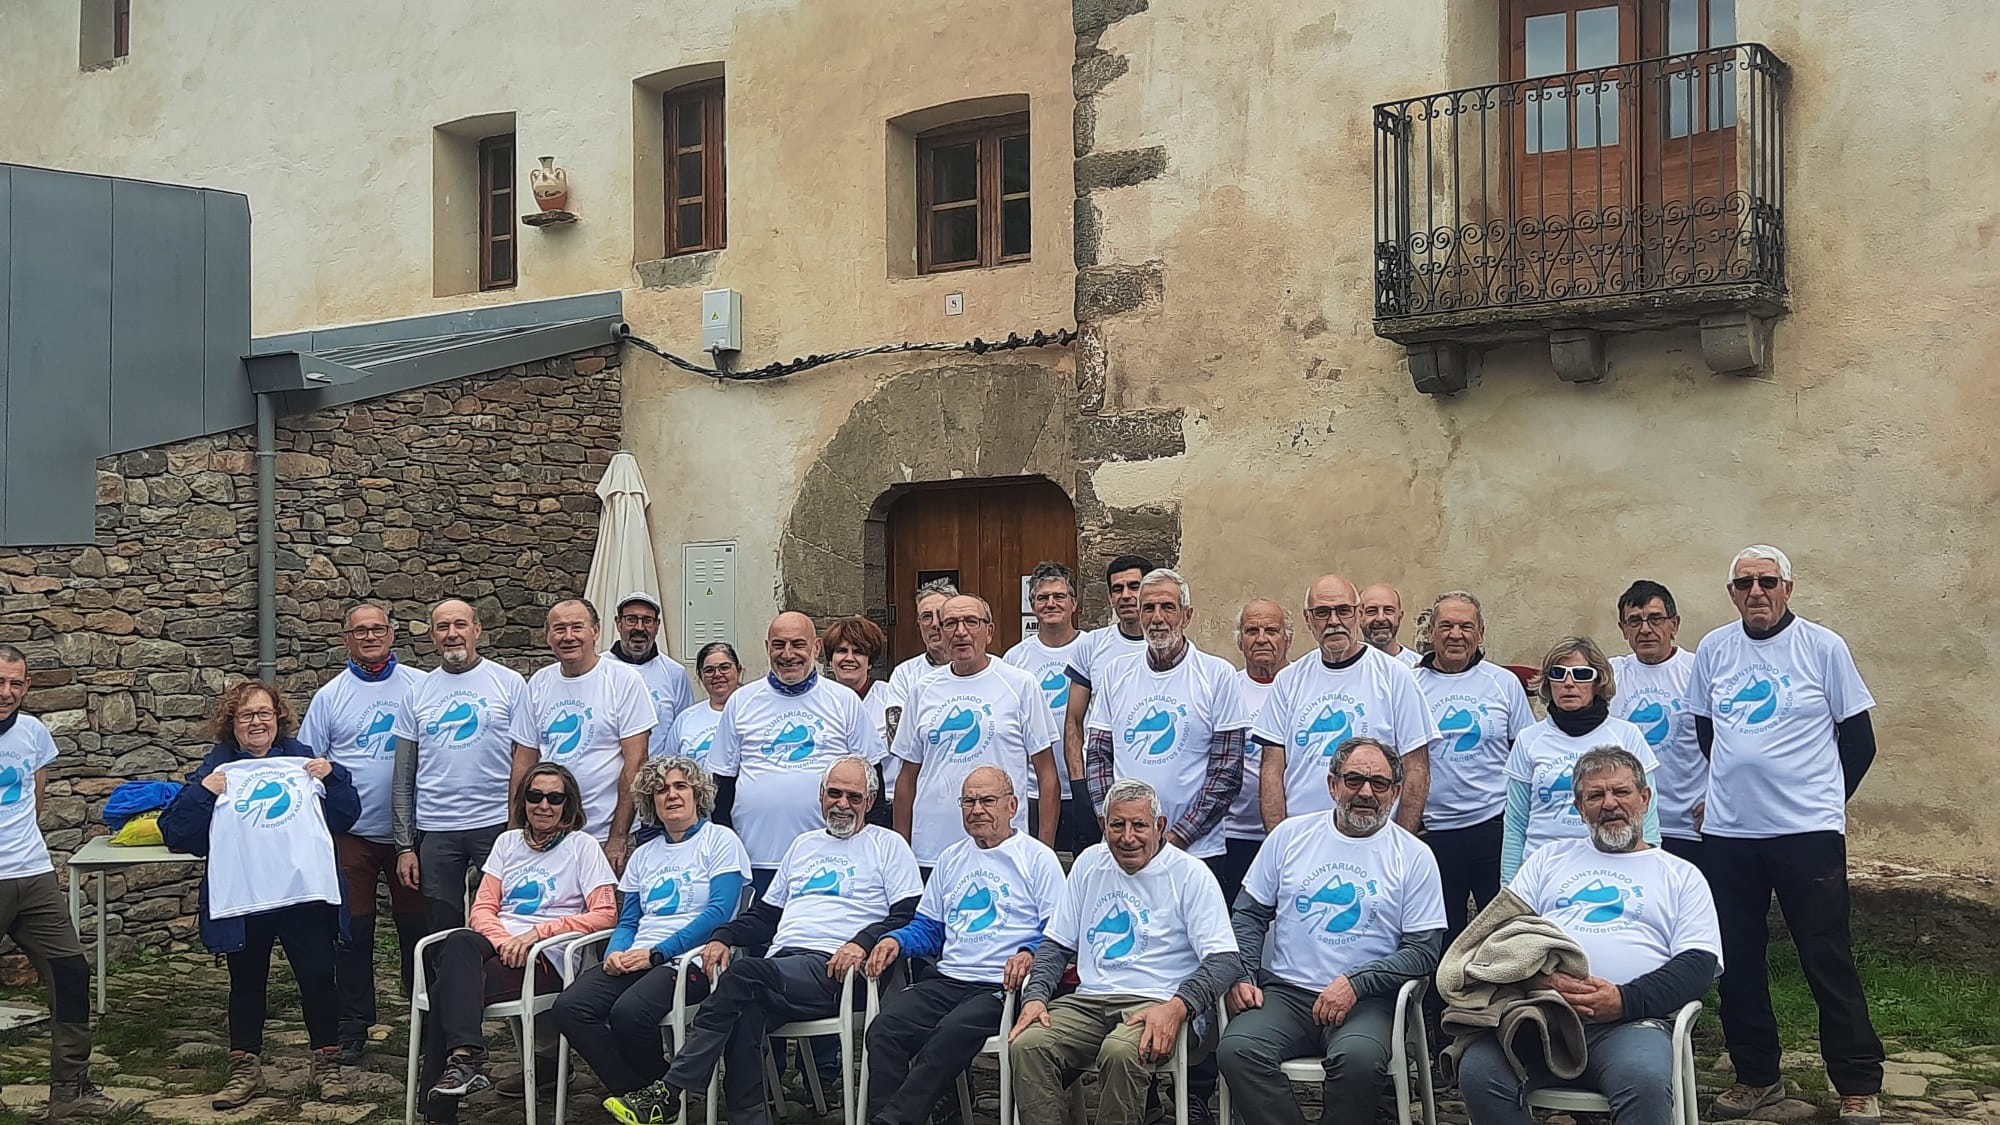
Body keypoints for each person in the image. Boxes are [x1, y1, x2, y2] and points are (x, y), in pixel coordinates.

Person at [1689, 546, 1883, 1125]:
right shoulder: (1715, 650)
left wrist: (1820, 800)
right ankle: (1756, 1075)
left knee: (1826, 955)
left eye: (1767, 581)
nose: (1756, 592)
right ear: (1731, 593)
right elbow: (1708, 732)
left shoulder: (1823, 647)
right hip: (1729, 834)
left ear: (1788, 587)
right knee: (1739, 958)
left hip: (1806, 835)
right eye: (1744, 583)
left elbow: (1860, 741)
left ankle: (1856, 1081)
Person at [647, 756, 923, 1125]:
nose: (842, 804)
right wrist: (724, 936)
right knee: (745, 1012)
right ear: (821, 795)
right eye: (835, 793)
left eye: (854, 797)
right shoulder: (803, 845)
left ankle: (672, 1088)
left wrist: (862, 941)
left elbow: (907, 915)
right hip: (784, 969)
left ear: (870, 801)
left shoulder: (888, 846)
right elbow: (766, 916)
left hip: (841, 970)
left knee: (745, 974)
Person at [1458, 748, 1720, 1125]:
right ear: (1580, 807)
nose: (1609, 804)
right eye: (1595, 795)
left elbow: (1698, 965)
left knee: (1643, 1079)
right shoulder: (1547, 860)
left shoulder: (1681, 876)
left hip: (1632, 1023)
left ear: (1645, 798)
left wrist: (1623, 1000)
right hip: (1540, 1015)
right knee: (1479, 1071)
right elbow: (1497, 938)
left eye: (1621, 792)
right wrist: (1537, 978)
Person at [1216, 737, 1447, 1125]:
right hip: (1286, 993)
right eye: (1354, 779)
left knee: (1358, 1062)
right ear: (1332, 784)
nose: (1365, 792)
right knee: (1237, 1049)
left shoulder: (1414, 856)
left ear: (1395, 792)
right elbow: (1249, 916)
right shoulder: (1289, 837)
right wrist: (1243, 974)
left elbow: (1424, 951)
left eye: (1378, 784)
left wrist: (1356, 983)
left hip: (1367, 1001)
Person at [160, 681, 359, 1109]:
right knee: (246, 983)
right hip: (244, 896)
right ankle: (245, 1067)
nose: (257, 722)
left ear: (278, 718)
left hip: (305, 894)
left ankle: (326, 1062)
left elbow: (346, 816)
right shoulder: (218, 767)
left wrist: (335, 777)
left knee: (319, 978)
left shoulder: (303, 760)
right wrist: (203, 792)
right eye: (246, 715)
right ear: (232, 723)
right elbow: (176, 832)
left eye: (264, 713)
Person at [1008, 778, 1239, 1125]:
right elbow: (1056, 945)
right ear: (1103, 825)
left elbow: (1224, 960)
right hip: (1089, 1001)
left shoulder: (1191, 875)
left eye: (1139, 825)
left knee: (1119, 1052)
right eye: (1117, 824)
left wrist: (1178, 1007)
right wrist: (1036, 997)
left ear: (1160, 826)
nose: (1127, 837)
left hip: (1159, 1001)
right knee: (1028, 1044)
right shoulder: (1089, 863)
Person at [551, 756, 750, 1124]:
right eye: (660, 790)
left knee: (629, 1013)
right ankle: (645, 1092)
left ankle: (653, 1100)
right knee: (570, 1007)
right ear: (650, 801)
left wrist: (658, 953)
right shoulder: (643, 854)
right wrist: (614, 952)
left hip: (689, 960)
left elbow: (720, 912)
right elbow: (628, 920)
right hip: (640, 954)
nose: (670, 795)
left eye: (680, 787)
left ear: (697, 794)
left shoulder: (721, 840)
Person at [862, 767, 1065, 1125]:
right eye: (968, 801)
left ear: (1012, 805)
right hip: (949, 979)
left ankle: (894, 1120)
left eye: (987, 801)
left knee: (950, 1033)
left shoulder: (1037, 858)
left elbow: (1059, 933)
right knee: (885, 1028)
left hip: (1002, 986)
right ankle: (888, 1115)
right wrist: (896, 939)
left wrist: (1029, 953)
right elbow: (929, 928)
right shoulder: (951, 857)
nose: (977, 810)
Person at [416, 763, 617, 1124]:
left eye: (555, 798)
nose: (544, 805)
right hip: (499, 949)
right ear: (522, 801)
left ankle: (444, 1102)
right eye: (534, 796)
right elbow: (483, 907)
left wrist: (535, 936)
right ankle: (465, 1059)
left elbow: (605, 914)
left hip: (545, 958)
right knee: (461, 939)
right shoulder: (508, 842)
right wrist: (504, 941)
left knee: (445, 988)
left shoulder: (582, 846)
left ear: (568, 804)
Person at [300, 603, 428, 1065]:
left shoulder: (419, 685)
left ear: (392, 634)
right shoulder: (330, 697)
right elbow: (309, 767)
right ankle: (353, 1026)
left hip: (409, 834)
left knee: (417, 929)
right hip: (352, 833)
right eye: (360, 631)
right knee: (353, 933)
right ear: (346, 639)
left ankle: (426, 1018)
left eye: (378, 629)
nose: (370, 637)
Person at [0, 645, 124, 1119]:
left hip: (31, 875)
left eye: (16, 683)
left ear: (27, 686)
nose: (7, 692)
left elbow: (35, 802)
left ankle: (70, 1092)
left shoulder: (34, 733)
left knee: (71, 972)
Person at [1083, 569, 1246, 873]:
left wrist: (1173, 839)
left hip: (1196, 853)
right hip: (1125, 850)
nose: (1157, 617)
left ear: (1187, 615)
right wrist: (1118, 830)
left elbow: (1227, 772)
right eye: (1148, 608)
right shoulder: (1116, 673)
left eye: (1167, 607)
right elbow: (1098, 760)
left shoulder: (1217, 675)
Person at [710, 613, 886, 890]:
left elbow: (873, 779)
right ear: (767, 647)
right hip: (754, 858)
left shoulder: (844, 702)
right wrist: (729, 849)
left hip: (828, 857)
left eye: (798, 644)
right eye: (779, 645)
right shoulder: (741, 702)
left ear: (816, 648)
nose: (788, 654)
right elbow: (722, 783)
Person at [1254, 574, 1435, 831]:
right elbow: (1271, 770)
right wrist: (1279, 840)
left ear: (1358, 614)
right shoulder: (1288, 681)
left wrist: (1402, 840)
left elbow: (1416, 768)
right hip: (1303, 835)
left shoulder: (1395, 676)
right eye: (1322, 612)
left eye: (1343, 611)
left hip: (1375, 835)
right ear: (1308, 619)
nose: (1334, 621)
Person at [393, 598, 530, 932]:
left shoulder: (509, 683)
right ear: (432, 637)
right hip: (436, 829)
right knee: (440, 926)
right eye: (443, 627)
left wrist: (517, 825)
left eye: (460, 625)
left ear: (477, 631)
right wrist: (405, 846)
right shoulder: (417, 692)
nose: (452, 634)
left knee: (501, 920)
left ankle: (494, 985)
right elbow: (402, 777)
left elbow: (526, 760)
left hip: (495, 824)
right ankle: (445, 985)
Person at [895, 593, 1061, 867]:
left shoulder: (1020, 685)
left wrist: (1043, 851)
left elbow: (1047, 774)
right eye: (950, 624)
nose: (961, 632)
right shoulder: (922, 690)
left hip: (1003, 848)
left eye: (971, 622)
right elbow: (907, 777)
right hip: (932, 850)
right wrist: (902, 851)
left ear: (989, 632)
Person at [1410, 592, 1536, 938]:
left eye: (1466, 626)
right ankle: (1438, 994)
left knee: (1502, 934)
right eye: (1446, 626)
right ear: (1431, 632)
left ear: (1480, 633)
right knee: (1441, 935)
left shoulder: (1504, 683)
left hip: (1493, 826)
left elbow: (1526, 755)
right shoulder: (1409, 685)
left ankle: (1504, 993)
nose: (1456, 634)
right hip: (1433, 833)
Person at [1502, 637, 1661, 883]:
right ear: (1548, 682)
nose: (1568, 683)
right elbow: (1515, 823)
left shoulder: (1626, 735)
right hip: (1542, 873)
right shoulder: (1528, 739)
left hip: (1612, 869)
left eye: (1581, 674)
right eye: (1558, 673)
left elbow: (1647, 815)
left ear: (1599, 681)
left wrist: (1650, 871)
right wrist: (1509, 887)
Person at [510, 599, 654, 871]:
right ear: (548, 637)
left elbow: (636, 762)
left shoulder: (623, 680)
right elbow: (523, 761)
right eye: (559, 629)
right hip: (549, 833)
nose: (568, 637)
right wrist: (515, 830)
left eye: (577, 627)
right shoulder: (539, 682)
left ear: (596, 632)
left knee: (607, 912)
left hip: (604, 835)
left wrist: (618, 836)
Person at [1609, 580, 1709, 867]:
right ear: (1623, 629)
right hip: (1632, 826)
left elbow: (1725, 742)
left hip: (1692, 826)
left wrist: (1718, 800)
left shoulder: (1698, 671)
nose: (1645, 629)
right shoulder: (1612, 675)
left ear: (1674, 624)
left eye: (1655, 619)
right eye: (1635, 621)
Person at [1060, 555, 1155, 853]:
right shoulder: (1092, 645)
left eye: (1134, 586)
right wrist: (1079, 785)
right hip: (1098, 785)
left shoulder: (1167, 645)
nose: (1125, 596)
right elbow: (1074, 722)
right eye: (1117, 589)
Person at [1002, 560, 1090, 853]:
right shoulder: (1015, 659)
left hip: (1084, 786)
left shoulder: (1093, 651)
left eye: (1059, 596)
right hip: (1031, 789)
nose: (1051, 603)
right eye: (1043, 598)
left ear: (1074, 603)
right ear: (1033, 606)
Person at [1216, 598, 1291, 906]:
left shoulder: (1300, 684)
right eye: (1252, 630)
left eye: (1271, 630)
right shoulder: (1227, 688)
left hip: (1290, 833)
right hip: (1233, 835)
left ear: (1287, 637)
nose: (1262, 638)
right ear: (1240, 640)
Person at [823, 617, 897, 826]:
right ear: (830, 659)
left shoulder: (891, 699)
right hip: (834, 809)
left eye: (858, 652)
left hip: (883, 808)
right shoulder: (819, 702)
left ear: (870, 660)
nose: (849, 658)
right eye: (841, 651)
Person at [606, 592, 698, 760]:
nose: (639, 628)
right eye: (631, 619)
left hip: (657, 778)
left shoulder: (675, 673)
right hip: (607, 777)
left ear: (657, 626)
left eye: (647, 620)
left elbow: (685, 728)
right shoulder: (599, 669)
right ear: (618, 623)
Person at [885, 579, 958, 747]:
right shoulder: (904, 674)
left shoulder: (980, 667)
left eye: (941, 615)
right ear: (918, 625)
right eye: (926, 617)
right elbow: (897, 738)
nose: (934, 624)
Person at [662, 642, 743, 766]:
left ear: (739, 670)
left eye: (724, 667)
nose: (717, 674)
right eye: (709, 670)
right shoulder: (685, 719)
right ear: (700, 676)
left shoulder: (753, 712)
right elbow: (669, 767)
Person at [1359, 584, 1423, 667]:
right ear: (1358, 617)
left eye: (1388, 610)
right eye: (1371, 611)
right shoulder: (1347, 666)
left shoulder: (1418, 668)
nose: (1381, 618)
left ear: (1400, 617)